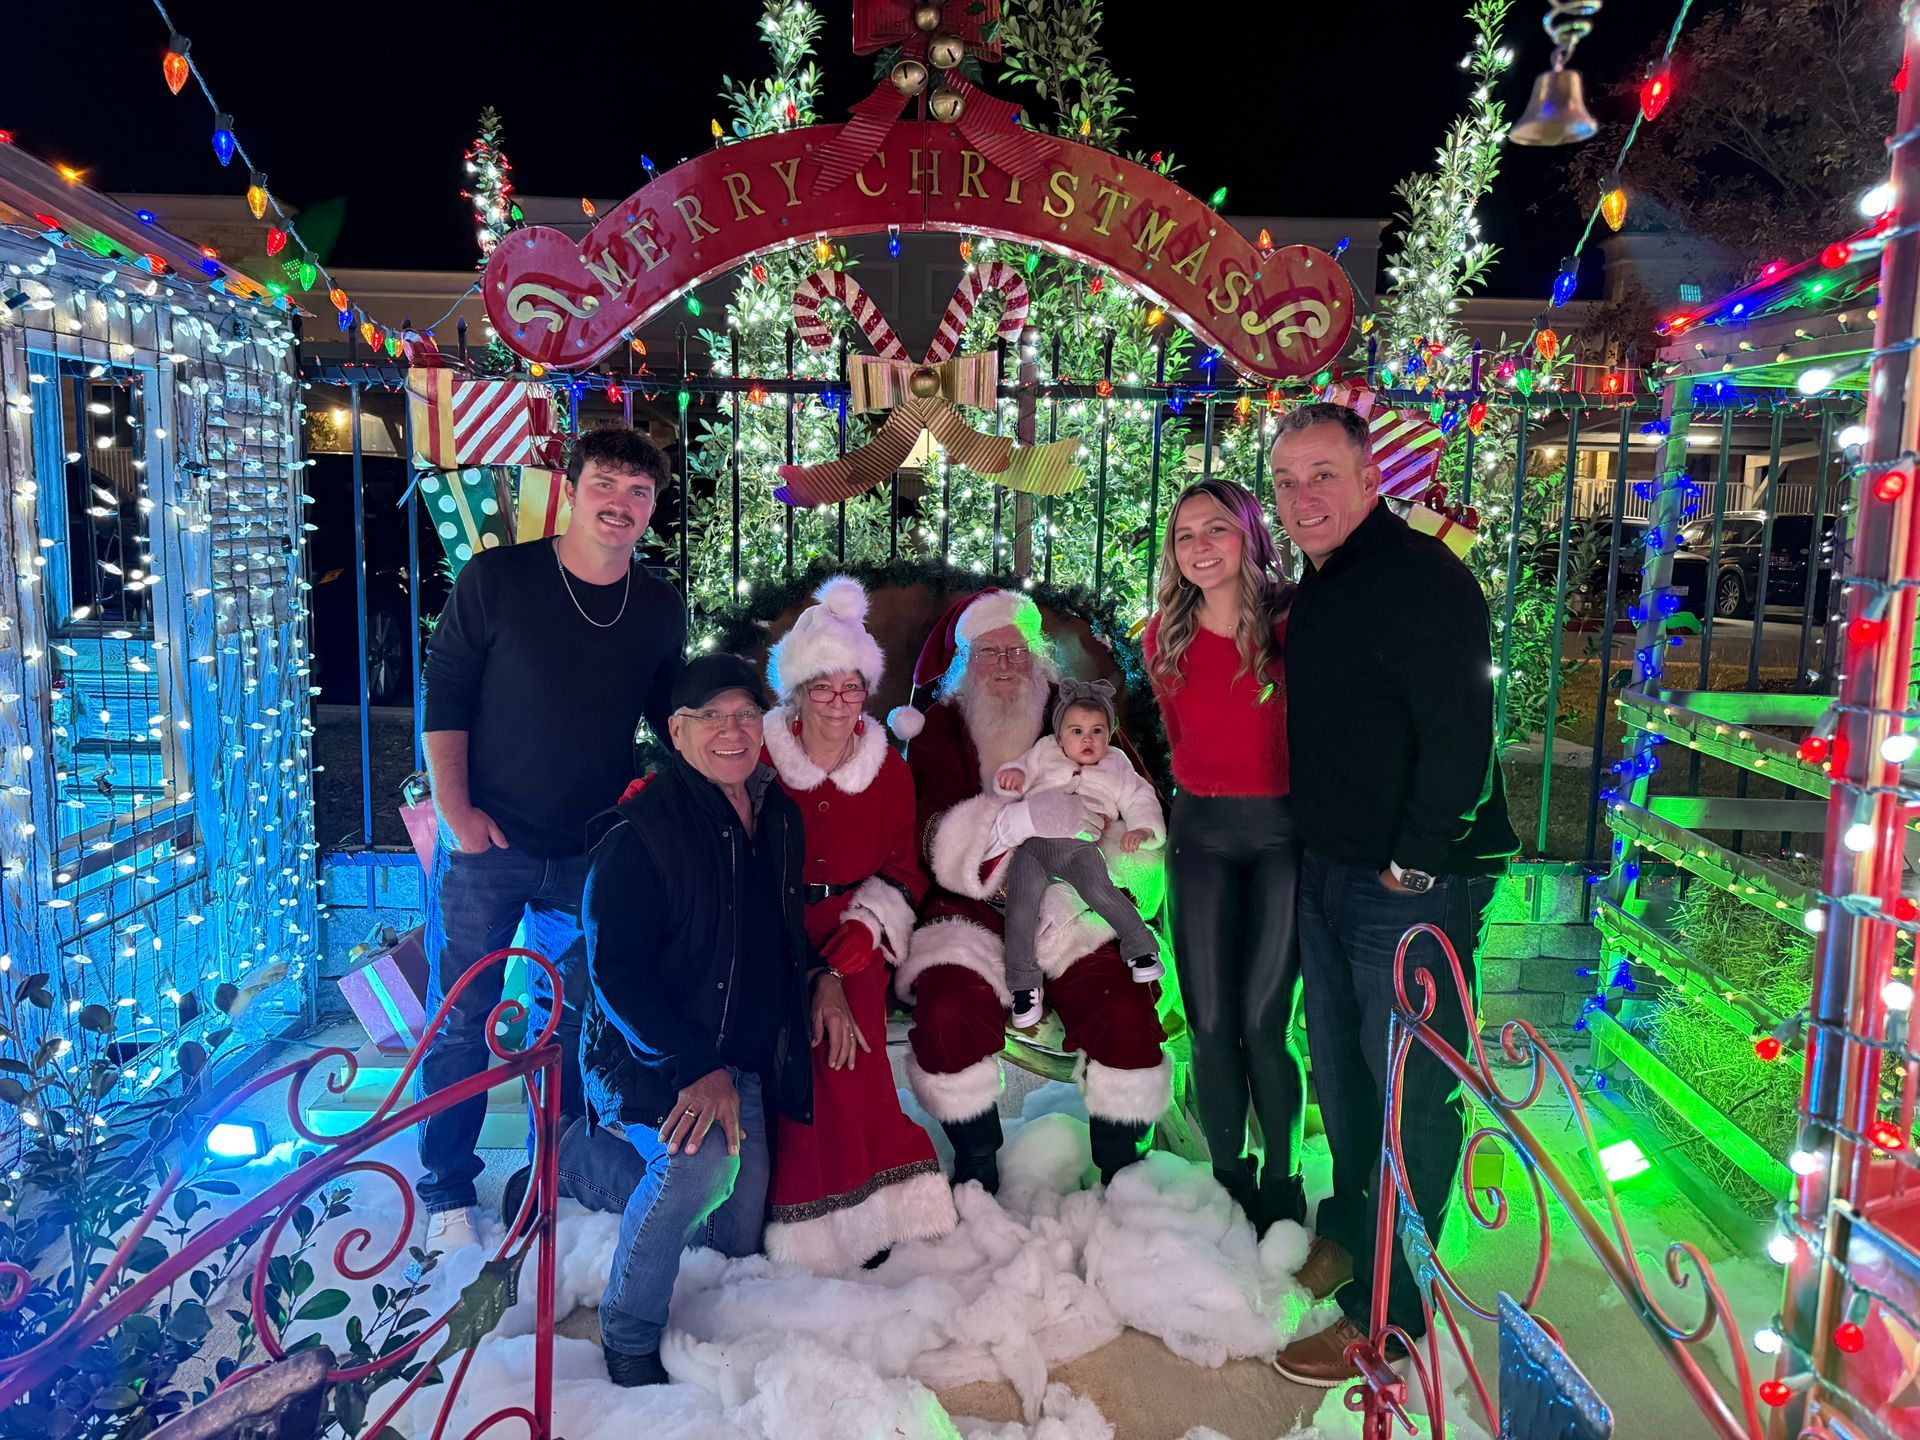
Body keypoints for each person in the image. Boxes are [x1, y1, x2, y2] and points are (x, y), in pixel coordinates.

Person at [1265, 402, 1518, 1387]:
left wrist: (1414, 866)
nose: (1303, 498)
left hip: (1410, 889)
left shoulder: (1424, 581)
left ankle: (1396, 1316)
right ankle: (1357, 1233)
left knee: (1413, 1099)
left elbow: (1461, 736)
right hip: (1332, 875)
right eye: (1287, 482)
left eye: (1323, 475)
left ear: (1370, 480)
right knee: (1346, 1082)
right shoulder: (1323, 585)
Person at [417, 425, 685, 1250]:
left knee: (567, 1022)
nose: (622, 504)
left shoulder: (657, 603)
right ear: (572, 488)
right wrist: (457, 814)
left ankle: (548, 1171)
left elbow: (669, 720)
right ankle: (446, 1191)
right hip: (486, 846)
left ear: (651, 510)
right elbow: (447, 693)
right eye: (607, 484)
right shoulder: (500, 579)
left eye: (639, 493)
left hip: (588, 853)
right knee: (463, 1015)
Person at [569, 652, 857, 1386]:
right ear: (676, 731)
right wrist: (692, 1068)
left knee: (733, 1236)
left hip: (740, 1060)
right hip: (652, 1057)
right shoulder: (639, 834)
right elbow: (614, 974)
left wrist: (823, 977)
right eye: (711, 718)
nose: (732, 732)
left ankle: (626, 1172)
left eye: (746, 715)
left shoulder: (777, 816)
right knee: (699, 1165)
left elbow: (783, 932)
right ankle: (626, 1329)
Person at [887, 590, 1170, 1195]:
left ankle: (1122, 1167)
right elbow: (928, 827)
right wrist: (1015, 826)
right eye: (990, 653)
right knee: (946, 1008)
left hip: (1074, 900)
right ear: (966, 662)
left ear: (1039, 656)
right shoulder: (941, 726)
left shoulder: (1075, 714)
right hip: (972, 908)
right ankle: (979, 1159)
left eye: (1018, 650)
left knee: (1124, 1004)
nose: (1007, 664)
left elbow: (1138, 808)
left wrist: (1103, 873)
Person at [757, 576, 957, 1273]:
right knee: (793, 1058)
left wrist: (844, 964)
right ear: (796, 691)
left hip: (859, 928)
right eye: (822, 688)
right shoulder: (759, 761)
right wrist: (812, 973)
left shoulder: (889, 770)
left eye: (851, 689)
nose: (838, 704)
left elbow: (904, 872)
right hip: (771, 931)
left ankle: (870, 1205)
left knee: (850, 1056)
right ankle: (794, 1208)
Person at [1143, 478, 1310, 1243]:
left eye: (1216, 530)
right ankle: (1231, 1176)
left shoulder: (1293, 622)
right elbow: (1182, 735)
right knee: (1211, 1024)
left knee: (1263, 1021)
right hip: (1201, 836)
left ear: (1249, 534)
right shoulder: (1162, 637)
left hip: (1282, 835)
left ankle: (1283, 1174)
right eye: (1184, 536)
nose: (1200, 547)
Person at [993, 677, 1165, 1028]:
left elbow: (1139, 796)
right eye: (1076, 731)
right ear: (1060, 737)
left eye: (1097, 731)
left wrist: (1143, 829)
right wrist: (1012, 776)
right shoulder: (1045, 751)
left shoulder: (1116, 764)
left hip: (1080, 847)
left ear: (1109, 734)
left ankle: (1141, 948)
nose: (1087, 740)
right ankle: (1024, 986)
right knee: (1020, 911)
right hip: (1034, 847)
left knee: (1101, 891)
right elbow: (1023, 770)